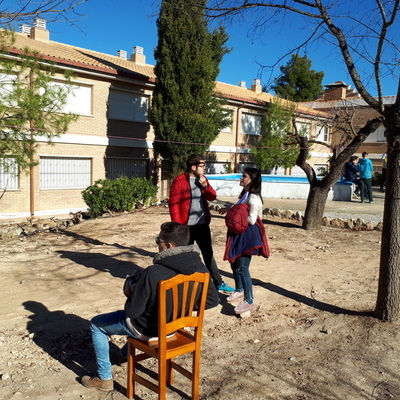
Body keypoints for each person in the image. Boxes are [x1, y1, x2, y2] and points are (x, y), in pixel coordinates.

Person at [81, 221, 219, 392]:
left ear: (168, 245)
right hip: (175, 328)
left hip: (149, 330)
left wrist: (131, 292)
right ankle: (123, 355)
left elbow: (132, 312)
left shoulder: (153, 272)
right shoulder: (200, 268)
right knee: (148, 314)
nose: (156, 244)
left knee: (96, 324)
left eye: (157, 241)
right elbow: (213, 301)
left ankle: (104, 378)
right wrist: (182, 307)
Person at [169, 154, 234, 294]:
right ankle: (182, 284)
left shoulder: (203, 180)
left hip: (202, 224)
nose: (205, 168)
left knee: (208, 253)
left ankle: (218, 282)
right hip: (186, 227)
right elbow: (173, 205)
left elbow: (212, 196)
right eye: (202, 165)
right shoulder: (179, 181)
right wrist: (178, 226)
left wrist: (205, 186)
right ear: (193, 167)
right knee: (185, 255)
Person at [218, 168, 270, 315]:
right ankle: (239, 290)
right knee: (234, 263)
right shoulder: (245, 194)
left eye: (244, 176)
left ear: (252, 180)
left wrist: (234, 216)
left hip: (248, 236)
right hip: (239, 234)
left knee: (242, 268)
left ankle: (249, 301)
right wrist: (230, 209)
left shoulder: (254, 198)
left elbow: (251, 220)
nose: (241, 178)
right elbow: (240, 209)